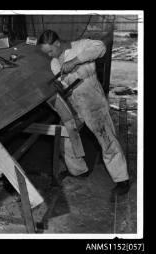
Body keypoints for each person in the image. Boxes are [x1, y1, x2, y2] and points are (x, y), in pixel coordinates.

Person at [38, 30, 130, 197]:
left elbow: (101, 47)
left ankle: (122, 179)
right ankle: (78, 170)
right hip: (74, 103)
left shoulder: (80, 46)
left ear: (57, 43)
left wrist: (75, 61)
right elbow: (63, 85)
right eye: (47, 53)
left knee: (106, 139)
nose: (50, 55)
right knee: (66, 135)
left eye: (50, 51)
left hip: (92, 101)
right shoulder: (54, 64)